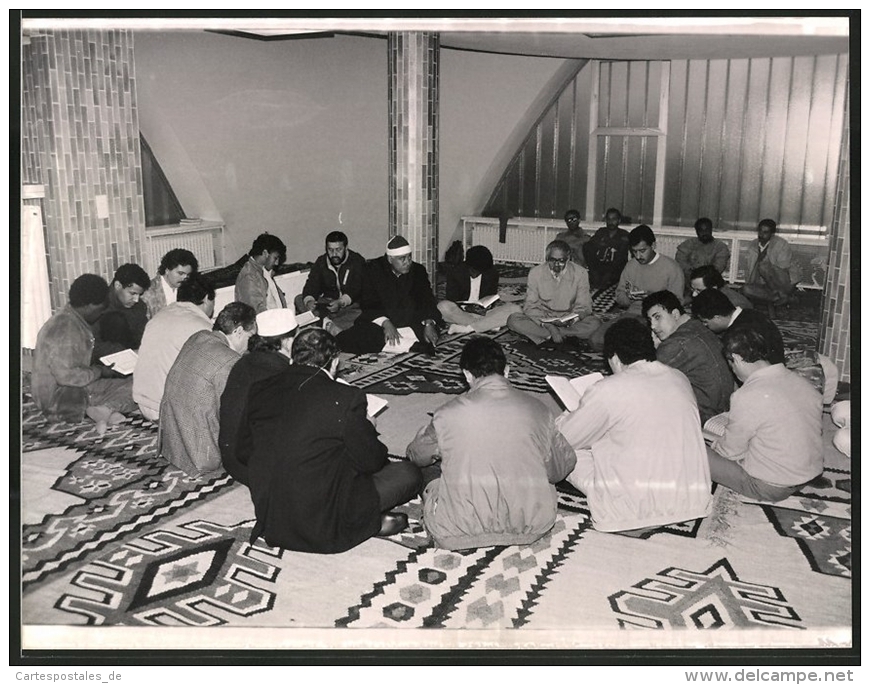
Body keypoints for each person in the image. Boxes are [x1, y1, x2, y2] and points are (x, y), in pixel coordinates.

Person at [241, 327, 423, 553]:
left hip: (273, 519)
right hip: (323, 526)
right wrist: (368, 427)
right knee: (409, 473)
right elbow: (372, 461)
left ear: (292, 356)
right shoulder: (345, 397)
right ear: (335, 362)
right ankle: (365, 522)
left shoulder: (260, 389)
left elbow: (243, 450)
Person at [406, 337, 576, 550]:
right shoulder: (539, 409)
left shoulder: (446, 414)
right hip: (532, 525)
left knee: (428, 467)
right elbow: (561, 469)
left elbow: (415, 455)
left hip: (457, 529)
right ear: (507, 370)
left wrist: (424, 435)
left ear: (467, 375)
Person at [555, 318, 713, 533]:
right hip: (692, 498)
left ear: (616, 358)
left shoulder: (608, 389)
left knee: (565, 449)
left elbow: (565, 438)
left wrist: (568, 414)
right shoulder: (679, 377)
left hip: (631, 510)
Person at [706, 327, 823, 502]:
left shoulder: (746, 395)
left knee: (695, 451)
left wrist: (713, 445)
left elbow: (730, 452)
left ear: (736, 359)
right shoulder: (803, 382)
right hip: (810, 472)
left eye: (731, 365)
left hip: (771, 486)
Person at [159, 302, 258, 477]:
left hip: (171, 441)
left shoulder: (198, 336)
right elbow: (235, 414)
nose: (250, 344)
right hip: (200, 452)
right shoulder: (230, 361)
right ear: (239, 331)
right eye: (251, 337)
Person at [32, 274, 137, 435]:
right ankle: (106, 409)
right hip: (63, 399)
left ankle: (105, 412)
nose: (102, 314)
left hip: (65, 391)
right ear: (89, 305)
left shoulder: (70, 319)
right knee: (138, 385)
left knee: (130, 381)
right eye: (101, 309)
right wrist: (100, 372)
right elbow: (66, 376)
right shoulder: (66, 328)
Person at [219, 308, 298, 485]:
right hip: (256, 469)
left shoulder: (244, 362)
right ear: (287, 341)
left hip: (232, 460)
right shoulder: (280, 372)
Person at [336, 236, 443, 354]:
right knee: (358, 337)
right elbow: (369, 303)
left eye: (409, 257)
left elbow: (427, 299)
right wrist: (386, 323)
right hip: (381, 323)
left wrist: (428, 323)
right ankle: (413, 346)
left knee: (430, 330)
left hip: (411, 323)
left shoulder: (418, 271)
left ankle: (400, 344)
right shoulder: (372, 270)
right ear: (390, 259)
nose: (408, 262)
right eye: (402, 259)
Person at [133, 272, 216, 421]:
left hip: (144, 405)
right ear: (206, 299)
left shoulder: (159, 316)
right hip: (169, 411)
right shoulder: (201, 327)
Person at [588, 224, 684, 352]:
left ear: (653, 246)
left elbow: (677, 303)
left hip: (656, 319)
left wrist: (652, 299)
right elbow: (619, 295)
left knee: (639, 344)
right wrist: (630, 298)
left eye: (642, 251)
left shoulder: (671, 267)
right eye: (634, 251)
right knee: (596, 340)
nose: (638, 256)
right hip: (632, 314)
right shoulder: (631, 265)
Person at [642, 290, 733, 424]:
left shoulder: (676, 343)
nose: (653, 327)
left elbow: (642, 378)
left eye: (657, 317)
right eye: (650, 321)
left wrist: (655, 349)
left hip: (703, 416)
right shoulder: (699, 327)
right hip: (724, 409)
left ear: (675, 314)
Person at [506, 239, 601, 346]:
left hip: (569, 320)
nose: (556, 264)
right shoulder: (536, 273)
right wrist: (549, 325)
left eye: (561, 260)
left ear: (568, 258)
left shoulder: (580, 273)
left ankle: (549, 336)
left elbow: (584, 305)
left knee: (595, 323)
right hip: (543, 319)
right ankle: (564, 336)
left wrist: (574, 319)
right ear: (547, 258)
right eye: (552, 260)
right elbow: (530, 306)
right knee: (513, 320)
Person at [437, 245, 521, 335]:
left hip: (483, 314)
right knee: (443, 306)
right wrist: (465, 307)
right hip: (462, 313)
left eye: (479, 272)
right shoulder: (456, 273)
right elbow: (452, 299)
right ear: (468, 265)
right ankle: (487, 325)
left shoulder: (491, 274)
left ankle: (468, 328)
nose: (475, 274)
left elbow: (490, 297)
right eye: (473, 270)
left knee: (515, 309)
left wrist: (485, 306)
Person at [294, 230, 366, 333]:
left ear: (346, 248)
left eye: (338, 250)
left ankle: (323, 324)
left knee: (363, 314)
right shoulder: (321, 262)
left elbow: (357, 288)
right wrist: (309, 300)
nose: (334, 254)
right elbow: (311, 285)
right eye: (330, 250)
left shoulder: (357, 261)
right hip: (328, 304)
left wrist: (341, 302)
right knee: (300, 299)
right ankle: (328, 324)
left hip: (350, 306)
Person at [691, 288, 785, 364]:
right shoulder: (752, 313)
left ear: (717, 317)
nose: (704, 325)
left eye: (705, 322)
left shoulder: (735, 336)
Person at [91, 263, 152, 360]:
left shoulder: (139, 306)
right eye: (133, 293)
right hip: (104, 364)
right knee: (115, 320)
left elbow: (143, 336)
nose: (136, 299)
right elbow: (92, 346)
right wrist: (126, 352)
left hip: (133, 359)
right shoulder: (96, 306)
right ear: (118, 285)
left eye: (139, 295)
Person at [740, 219, 802, 307]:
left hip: (783, 283)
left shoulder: (781, 244)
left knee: (763, 266)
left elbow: (783, 269)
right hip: (765, 285)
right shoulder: (753, 245)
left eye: (765, 232)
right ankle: (782, 298)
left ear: (772, 234)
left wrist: (765, 264)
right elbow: (750, 271)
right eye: (760, 231)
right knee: (745, 289)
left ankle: (782, 295)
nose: (761, 235)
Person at [234, 232, 288, 314]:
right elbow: (256, 311)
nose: (276, 263)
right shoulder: (249, 276)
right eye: (275, 258)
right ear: (265, 253)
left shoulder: (263, 271)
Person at [581, 207, 630, 291]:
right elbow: (590, 246)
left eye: (614, 219)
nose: (611, 222)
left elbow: (621, 256)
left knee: (618, 258)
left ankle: (604, 280)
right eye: (608, 219)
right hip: (600, 265)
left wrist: (604, 244)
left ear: (619, 220)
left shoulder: (624, 234)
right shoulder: (601, 232)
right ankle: (596, 277)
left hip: (615, 268)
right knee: (587, 246)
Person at [141, 248, 199, 319]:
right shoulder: (148, 294)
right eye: (180, 273)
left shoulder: (188, 287)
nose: (184, 278)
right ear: (167, 270)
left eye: (188, 274)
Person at [675, 217, 731, 286]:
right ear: (696, 231)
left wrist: (702, 277)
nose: (704, 233)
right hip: (689, 281)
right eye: (701, 230)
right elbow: (680, 263)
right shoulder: (687, 245)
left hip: (711, 282)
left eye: (707, 230)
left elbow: (718, 268)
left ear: (711, 230)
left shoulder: (721, 247)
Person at [688, 264, 753, 311]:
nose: (694, 294)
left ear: (714, 288)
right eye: (693, 289)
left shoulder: (735, 304)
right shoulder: (711, 297)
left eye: (698, 290)